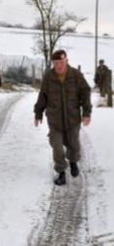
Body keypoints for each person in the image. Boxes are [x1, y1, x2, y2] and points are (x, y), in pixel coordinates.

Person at [34, 49, 92, 186]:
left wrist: (87, 113)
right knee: (57, 147)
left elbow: (85, 92)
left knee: (73, 145)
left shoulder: (76, 75)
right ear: (53, 63)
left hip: (73, 118)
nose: (59, 65)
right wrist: (38, 113)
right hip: (55, 120)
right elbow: (42, 96)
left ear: (66, 61)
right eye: (56, 63)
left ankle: (73, 162)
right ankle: (61, 172)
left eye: (61, 62)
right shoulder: (49, 77)